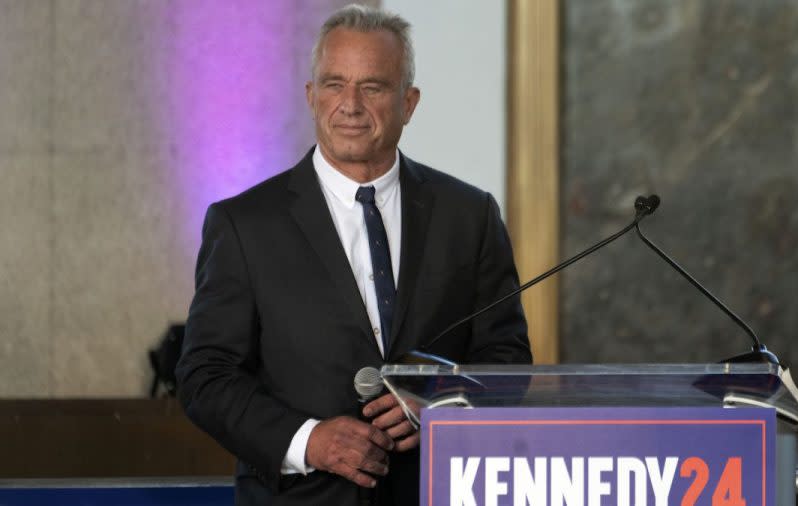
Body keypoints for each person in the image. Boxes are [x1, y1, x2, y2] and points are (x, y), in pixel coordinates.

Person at [175, 4, 531, 505]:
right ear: (310, 96)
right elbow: (205, 376)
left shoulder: (469, 216)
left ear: (408, 103)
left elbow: (507, 360)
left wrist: (441, 410)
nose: (350, 104)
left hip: (437, 491)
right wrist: (308, 441)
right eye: (334, 84)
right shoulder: (245, 224)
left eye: (373, 87)